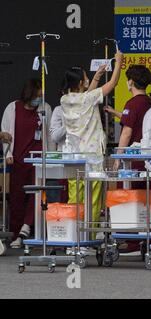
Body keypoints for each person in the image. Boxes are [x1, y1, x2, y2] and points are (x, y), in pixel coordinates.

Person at [60, 53, 122, 230]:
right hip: (92, 157)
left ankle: (72, 235)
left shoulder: (65, 100)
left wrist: (96, 77)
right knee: (93, 201)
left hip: (73, 159)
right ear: (80, 83)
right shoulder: (88, 98)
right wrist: (119, 63)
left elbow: (87, 96)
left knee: (75, 199)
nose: (88, 80)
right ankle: (89, 236)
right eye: (86, 78)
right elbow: (113, 84)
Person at [1, 79, 55, 248]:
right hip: (18, 159)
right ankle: (17, 234)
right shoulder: (13, 107)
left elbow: (50, 135)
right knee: (17, 197)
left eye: (40, 96)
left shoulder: (45, 108)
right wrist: (7, 153)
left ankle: (26, 227)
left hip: (38, 160)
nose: (38, 99)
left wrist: (52, 156)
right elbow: (5, 132)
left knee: (36, 194)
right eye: (36, 96)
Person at [113, 65, 151, 182]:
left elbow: (127, 132)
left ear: (130, 82)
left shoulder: (132, 104)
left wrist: (118, 158)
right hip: (149, 159)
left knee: (132, 197)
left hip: (133, 161)